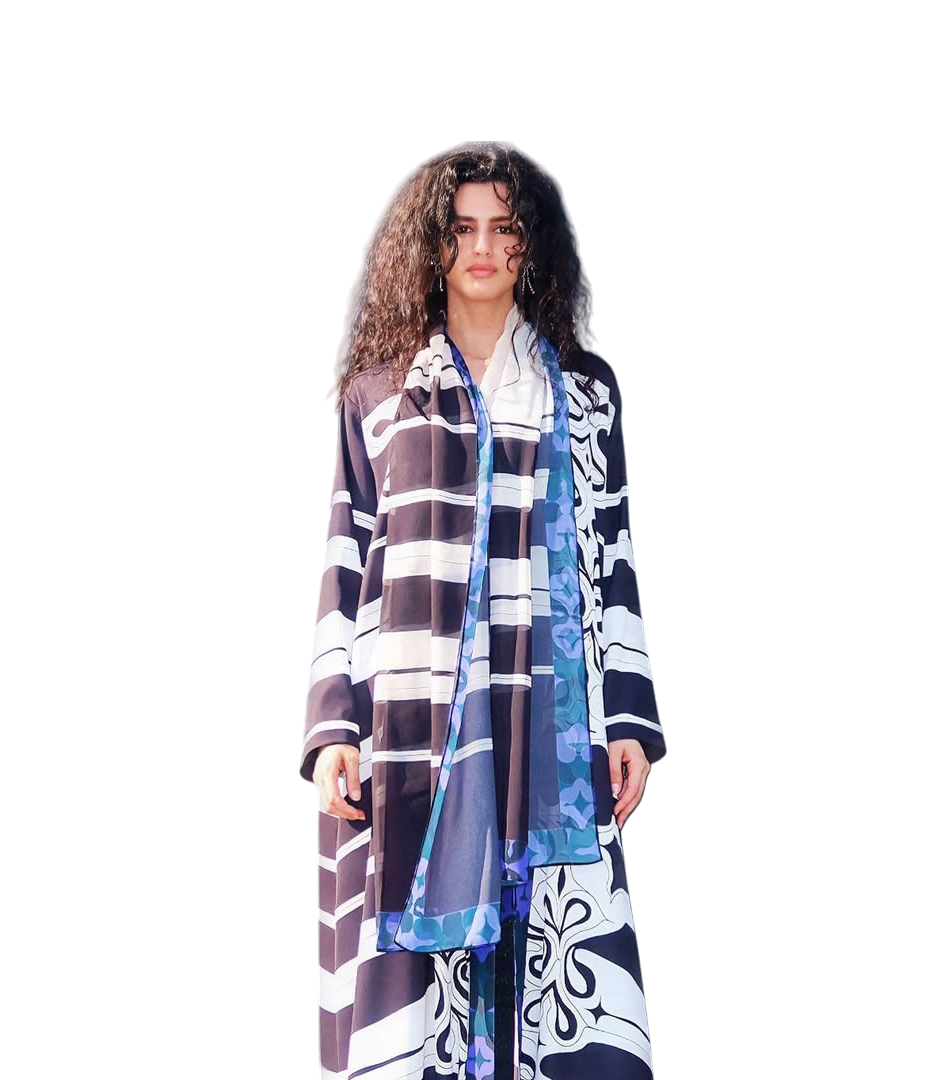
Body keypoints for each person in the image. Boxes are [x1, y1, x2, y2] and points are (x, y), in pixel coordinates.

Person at [301, 141, 666, 1079]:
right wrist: (332, 728)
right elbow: (345, 562)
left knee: (551, 959)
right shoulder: (379, 394)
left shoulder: (586, 393)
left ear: (531, 244)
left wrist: (628, 720)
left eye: (505, 229)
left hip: (549, 723)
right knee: (411, 1001)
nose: (483, 249)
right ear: (432, 245)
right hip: (411, 724)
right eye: (462, 229)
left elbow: (613, 559)